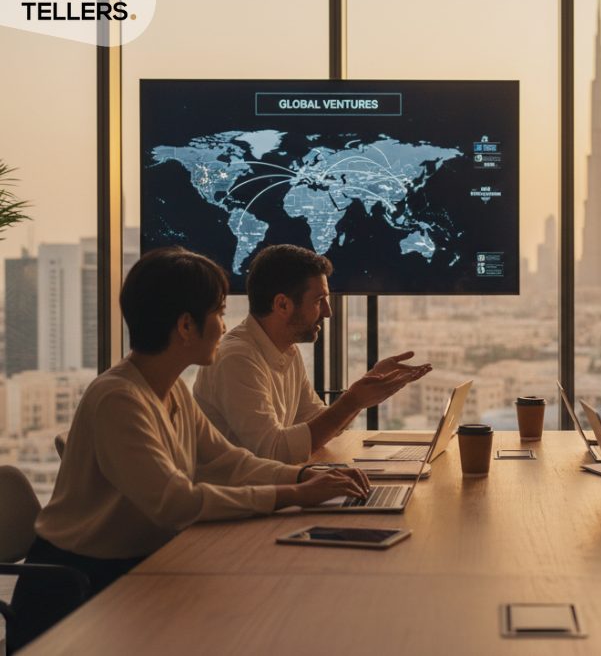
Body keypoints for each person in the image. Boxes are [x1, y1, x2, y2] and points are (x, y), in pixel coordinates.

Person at [9, 247, 372, 651]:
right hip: (80, 591)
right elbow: (176, 503)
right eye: (218, 312)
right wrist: (293, 494)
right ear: (186, 326)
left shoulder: (171, 390)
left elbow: (228, 461)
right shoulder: (118, 399)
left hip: (139, 568)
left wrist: (303, 476)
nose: (223, 324)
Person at [194, 244, 431, 463]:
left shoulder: (286, 351)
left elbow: (321, 423)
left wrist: (365, 390)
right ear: (282, 305)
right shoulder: (237, 359)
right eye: (319, 300)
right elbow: (275, 451)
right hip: (237, 503)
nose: (328, 312)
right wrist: (353, 401)